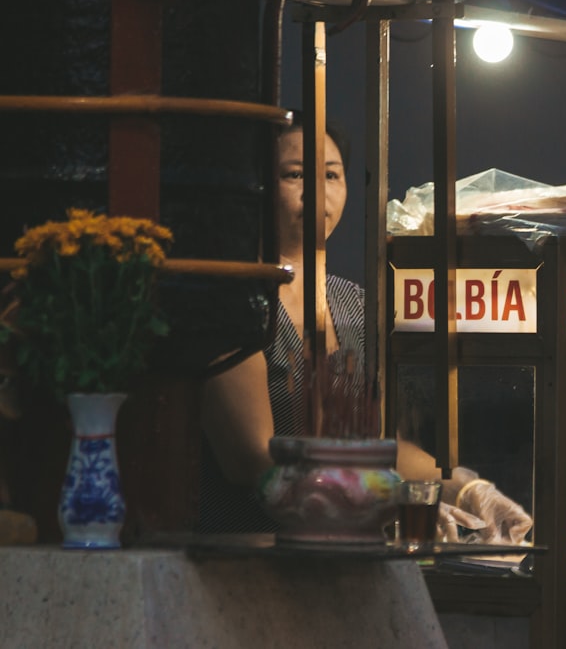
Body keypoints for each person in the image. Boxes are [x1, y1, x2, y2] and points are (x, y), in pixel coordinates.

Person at [197, 112, 532, 545]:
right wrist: (390, 497)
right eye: (295, 174)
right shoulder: (234, 300)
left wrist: (461, 487)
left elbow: (378, 443)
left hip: (351, 558)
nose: (319, 190)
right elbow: (253, 459)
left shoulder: (354, 303)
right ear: (257, 188)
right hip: (251, 556)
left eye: (332, 175)